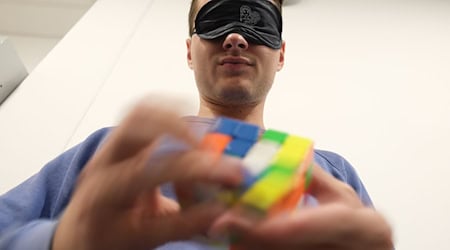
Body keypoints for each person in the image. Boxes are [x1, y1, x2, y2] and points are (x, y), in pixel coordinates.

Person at [0, 0, 394, 249]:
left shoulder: (333, 173)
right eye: (217, 20)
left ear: (281, 55)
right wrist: (59, 242)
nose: (237, 36)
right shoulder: (109, 149)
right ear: (190, 51)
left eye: (257, 23)